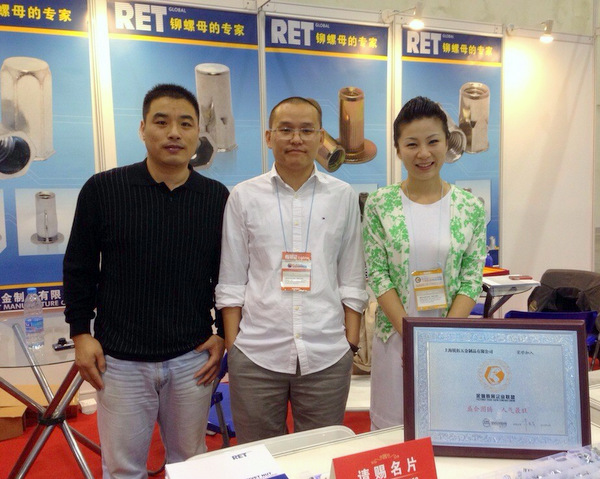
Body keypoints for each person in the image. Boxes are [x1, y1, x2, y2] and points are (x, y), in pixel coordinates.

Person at [63, 84, 229, 478]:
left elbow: (228, 275)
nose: (174, 133)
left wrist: (223, 334)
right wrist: (80, 333)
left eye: (185, 124)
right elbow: (79, 267)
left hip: (191, 359)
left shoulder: (216, 197)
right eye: (161, 122)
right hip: (120, 361)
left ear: (198, 132)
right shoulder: (103, 189)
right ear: (142, 129)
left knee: (190, 464)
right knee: (123, 468)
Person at [216, 96, 368, 443]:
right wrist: (234, 346)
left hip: (326, 352)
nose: (296, 139)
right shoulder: (244, 196)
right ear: (269, 137)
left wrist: (350, 342)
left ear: (321, 137)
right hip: (256, 352)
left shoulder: (342, 195)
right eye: (285, 130)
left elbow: (351, 275)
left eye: (306, 130)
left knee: (318, 453)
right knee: (260, 457)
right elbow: (232, 278)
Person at [362, 96, 486, 430]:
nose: (424, 153)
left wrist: (439, 338)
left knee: (447, 427)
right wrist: (413, 336)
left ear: (447, 143)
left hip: (449, 340)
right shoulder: (380, 204)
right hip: (395, 339)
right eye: (412, 144)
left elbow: (471, 279)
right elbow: (378, 274)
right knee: (392, 432)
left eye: (433, 141)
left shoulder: (470, 207)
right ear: (398, 149)